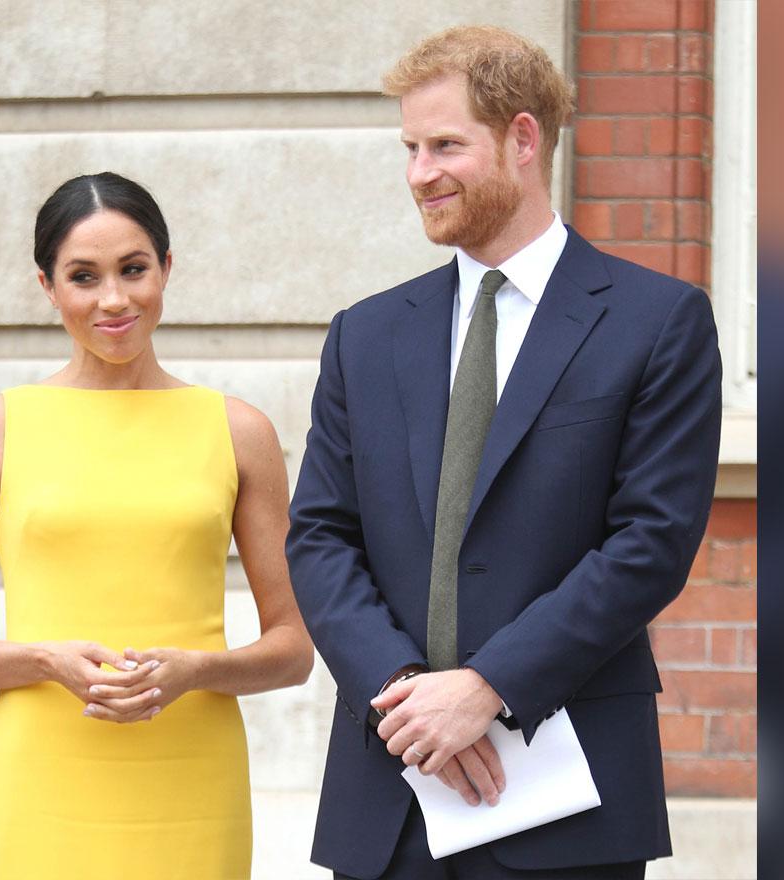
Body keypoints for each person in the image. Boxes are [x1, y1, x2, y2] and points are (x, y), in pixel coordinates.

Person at [286, 26, 722, 880]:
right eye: (410, 147)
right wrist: (409, 702)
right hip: (391, 792)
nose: (419, 172)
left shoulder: (656, 322)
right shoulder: (365, 336)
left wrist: (486, 687)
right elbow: (320, 536)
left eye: (445, 145)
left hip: (568, 797)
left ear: (523, 140)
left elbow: (651, 543)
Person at [0, 172, 313, 879]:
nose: (113, 299)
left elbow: (293, 648)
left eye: (134, 269)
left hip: (191, 777)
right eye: (83, 277)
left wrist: (198, 672)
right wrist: (43, 660)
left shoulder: (239, 431)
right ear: (47, 288)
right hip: (43, 778)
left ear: (167, 270)